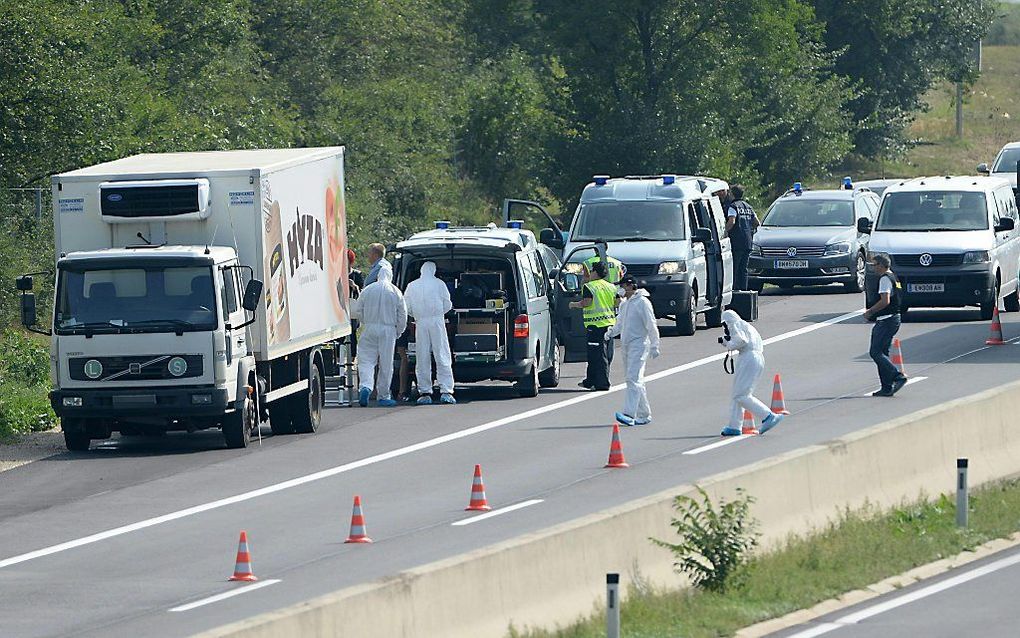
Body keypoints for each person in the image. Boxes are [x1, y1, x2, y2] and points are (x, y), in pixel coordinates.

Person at [719, 309, 785, 436]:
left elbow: (741, 341)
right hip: (755, 357)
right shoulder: (747, 326)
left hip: (748, 358)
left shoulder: (735, 324)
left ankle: (768, 415)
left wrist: (728, 343)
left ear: (728, 321)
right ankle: (734, 426)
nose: (725, 328)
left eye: (725, 325)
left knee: (741, 395)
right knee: (738, 393)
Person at [605, 276, 660, 426]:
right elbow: (620, 323)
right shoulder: (625, 304)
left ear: (630, 286)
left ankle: (629, 413)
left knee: (633, 378)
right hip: (626, 345)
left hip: (640, 344)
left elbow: (651, 323)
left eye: (622, 286)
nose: (620, 289)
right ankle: (644, 414)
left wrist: (655, 344)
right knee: (635, 380)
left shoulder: (642, 302)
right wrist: (610, 332)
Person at [351, 268, 406, 407]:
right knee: (386, 364)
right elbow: (402, 315)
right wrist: (398, 331)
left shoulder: (368, 290)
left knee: (366, 360)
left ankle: (366, 386)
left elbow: (358, 310)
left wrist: (365, 322)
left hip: (369, 328)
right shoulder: (395, 291)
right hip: (388, 330)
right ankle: (383, 395)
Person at [404, 261, 456, 405]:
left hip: (420, 322)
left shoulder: (412, 285)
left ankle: (425, 391)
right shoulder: (439, 284)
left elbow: (406, 307)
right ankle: (446, 390)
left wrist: (416, 315)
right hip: (437, 321)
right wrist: (439, 313)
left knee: (422, 357)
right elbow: (448, 303)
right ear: (433, 270)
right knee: (442, 354)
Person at [864, 254, 907, 397]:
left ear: (881, 265)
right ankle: (887, 387)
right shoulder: (893, 276)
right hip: (894, 318)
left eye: (874, 264)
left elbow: (885, 301)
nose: (873, 267)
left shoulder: (884, 279)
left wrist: (870, 311)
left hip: (886, 320)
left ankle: (897, 376)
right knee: (883, 352)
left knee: (875, 352)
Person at [570, 261, 616, 391]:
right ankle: (590, 381)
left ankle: (602, 383)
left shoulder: (590, 287)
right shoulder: (610, 286)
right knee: (605, 354)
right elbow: (617, 302)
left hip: (595, 326)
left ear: (595, 272)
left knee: (597, 356)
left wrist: (573, 305)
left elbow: (586, 302)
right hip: (609, 324)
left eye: (591, 271)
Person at [725, 185, 759, 291]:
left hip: (737, 242)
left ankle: (735, 290)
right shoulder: (748, 207)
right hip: (748, 241)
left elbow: (732, 221)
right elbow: (757, 223)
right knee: (744, 269)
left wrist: (724, 232)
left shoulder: (733, 206)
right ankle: (744, 291)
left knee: (735, 267)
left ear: (732, 194)